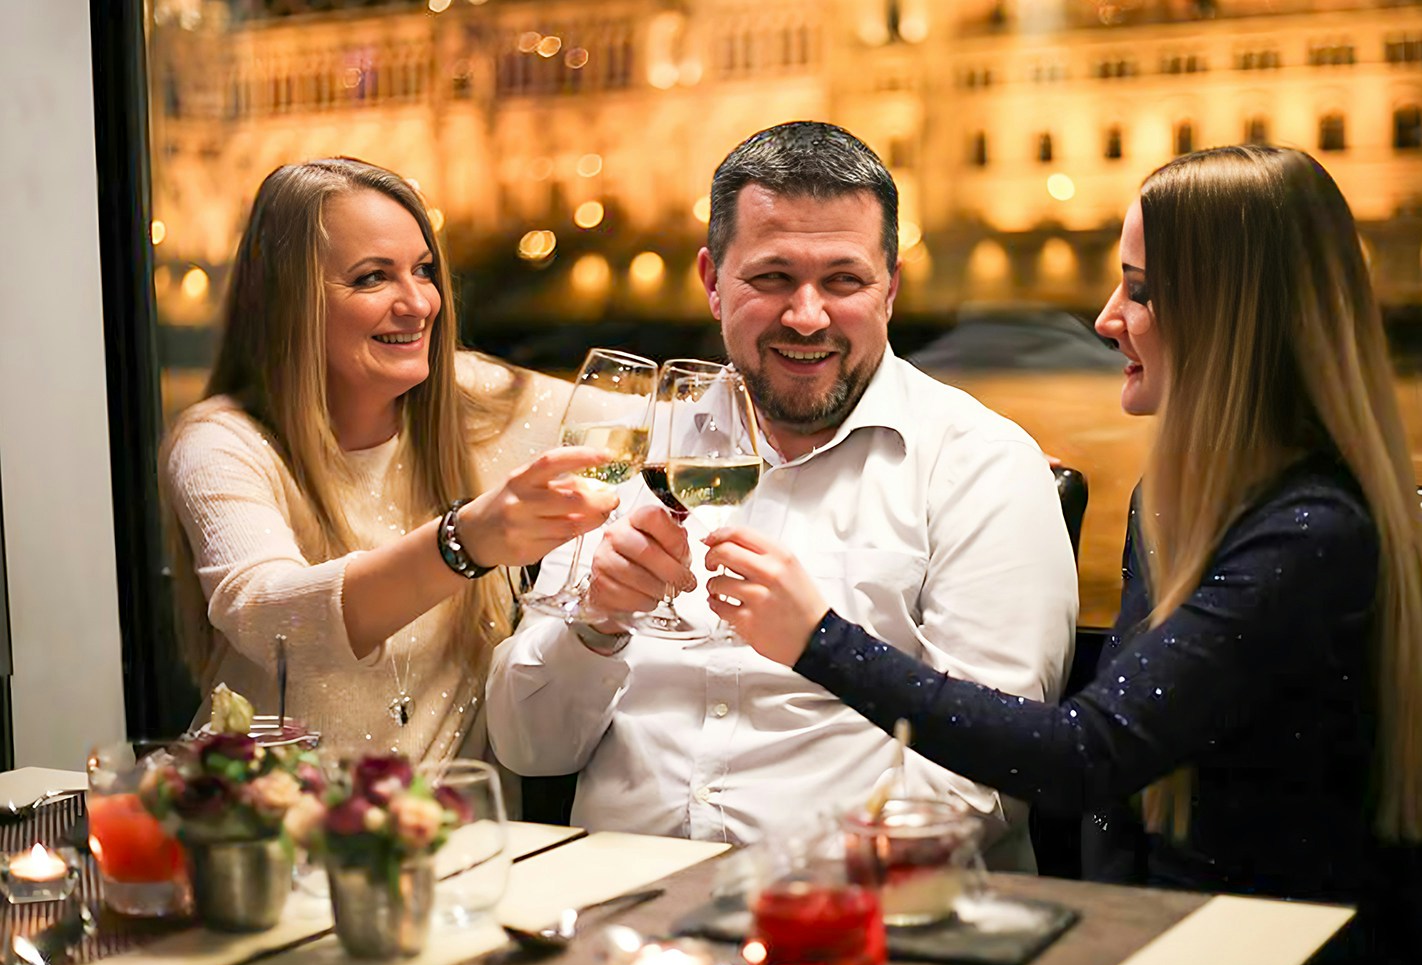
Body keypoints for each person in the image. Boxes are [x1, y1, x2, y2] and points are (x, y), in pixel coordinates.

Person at [729, 144, 1422, 921]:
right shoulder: (1175, 502)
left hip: (1268, 955)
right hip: (1154, 929)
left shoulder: (1312, 534)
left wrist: (819, 639)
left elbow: (1088, 755)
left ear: (1232, 317)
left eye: (1140, 291)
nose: (1106, 318)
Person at [485, 122, 1077, 862]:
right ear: (710, 282)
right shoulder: (636, 460)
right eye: (771, 278)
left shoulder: (981, 465)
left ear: (890, 289)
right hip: (620, 911)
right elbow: (527, 748)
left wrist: (782, 901)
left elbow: (986, 778)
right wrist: (595, 626)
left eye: (843, 280)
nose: (807, 316)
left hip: (857, 922)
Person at [162, 157, 615, 765]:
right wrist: (465, 543)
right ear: (289, 301)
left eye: (423, 271)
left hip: (455, 846)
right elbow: (271, 621)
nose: (419, 303)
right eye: (373, 278)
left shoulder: (476, 405)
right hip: (266, 833)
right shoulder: (219, 442)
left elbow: (671, 419)